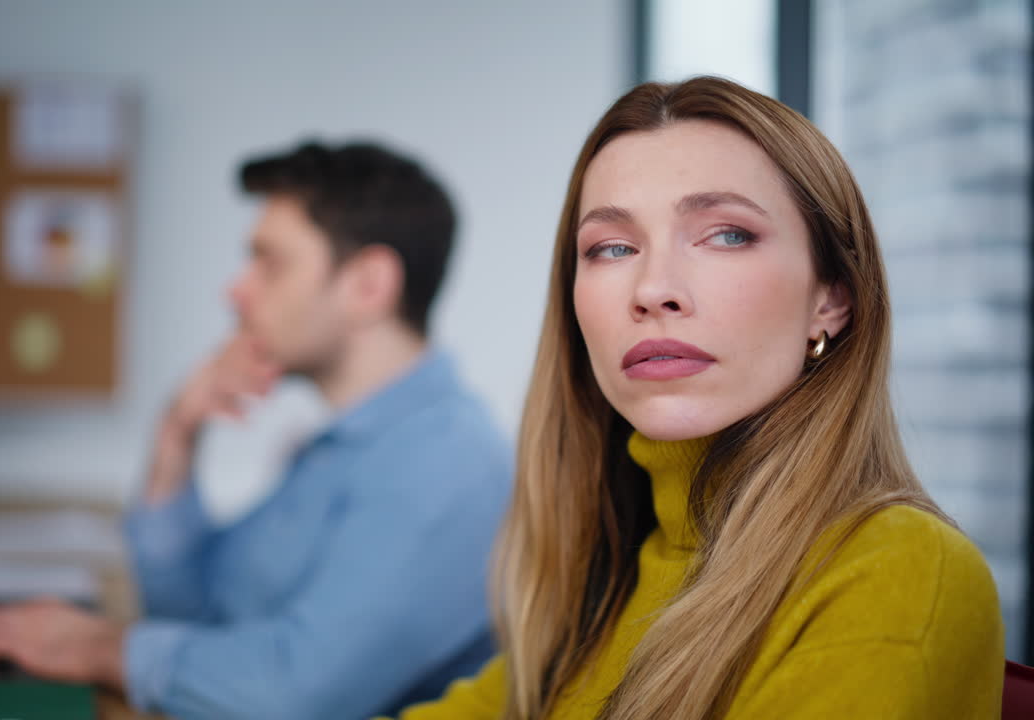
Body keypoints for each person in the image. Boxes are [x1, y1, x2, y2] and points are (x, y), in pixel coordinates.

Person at [391, 77, 1004, 720]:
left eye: (726, 235)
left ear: (831, 299)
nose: (653, 288)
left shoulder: (899, 572)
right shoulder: (593, 599)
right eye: (612, 248)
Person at [0, 141, 513, 720]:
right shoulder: (343, 446)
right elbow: (198, 615)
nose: (236, 290)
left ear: (368, 285)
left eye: (269, 263)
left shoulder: (447, 463)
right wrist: (177, 434)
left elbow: (291, 695)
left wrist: (94, 647)